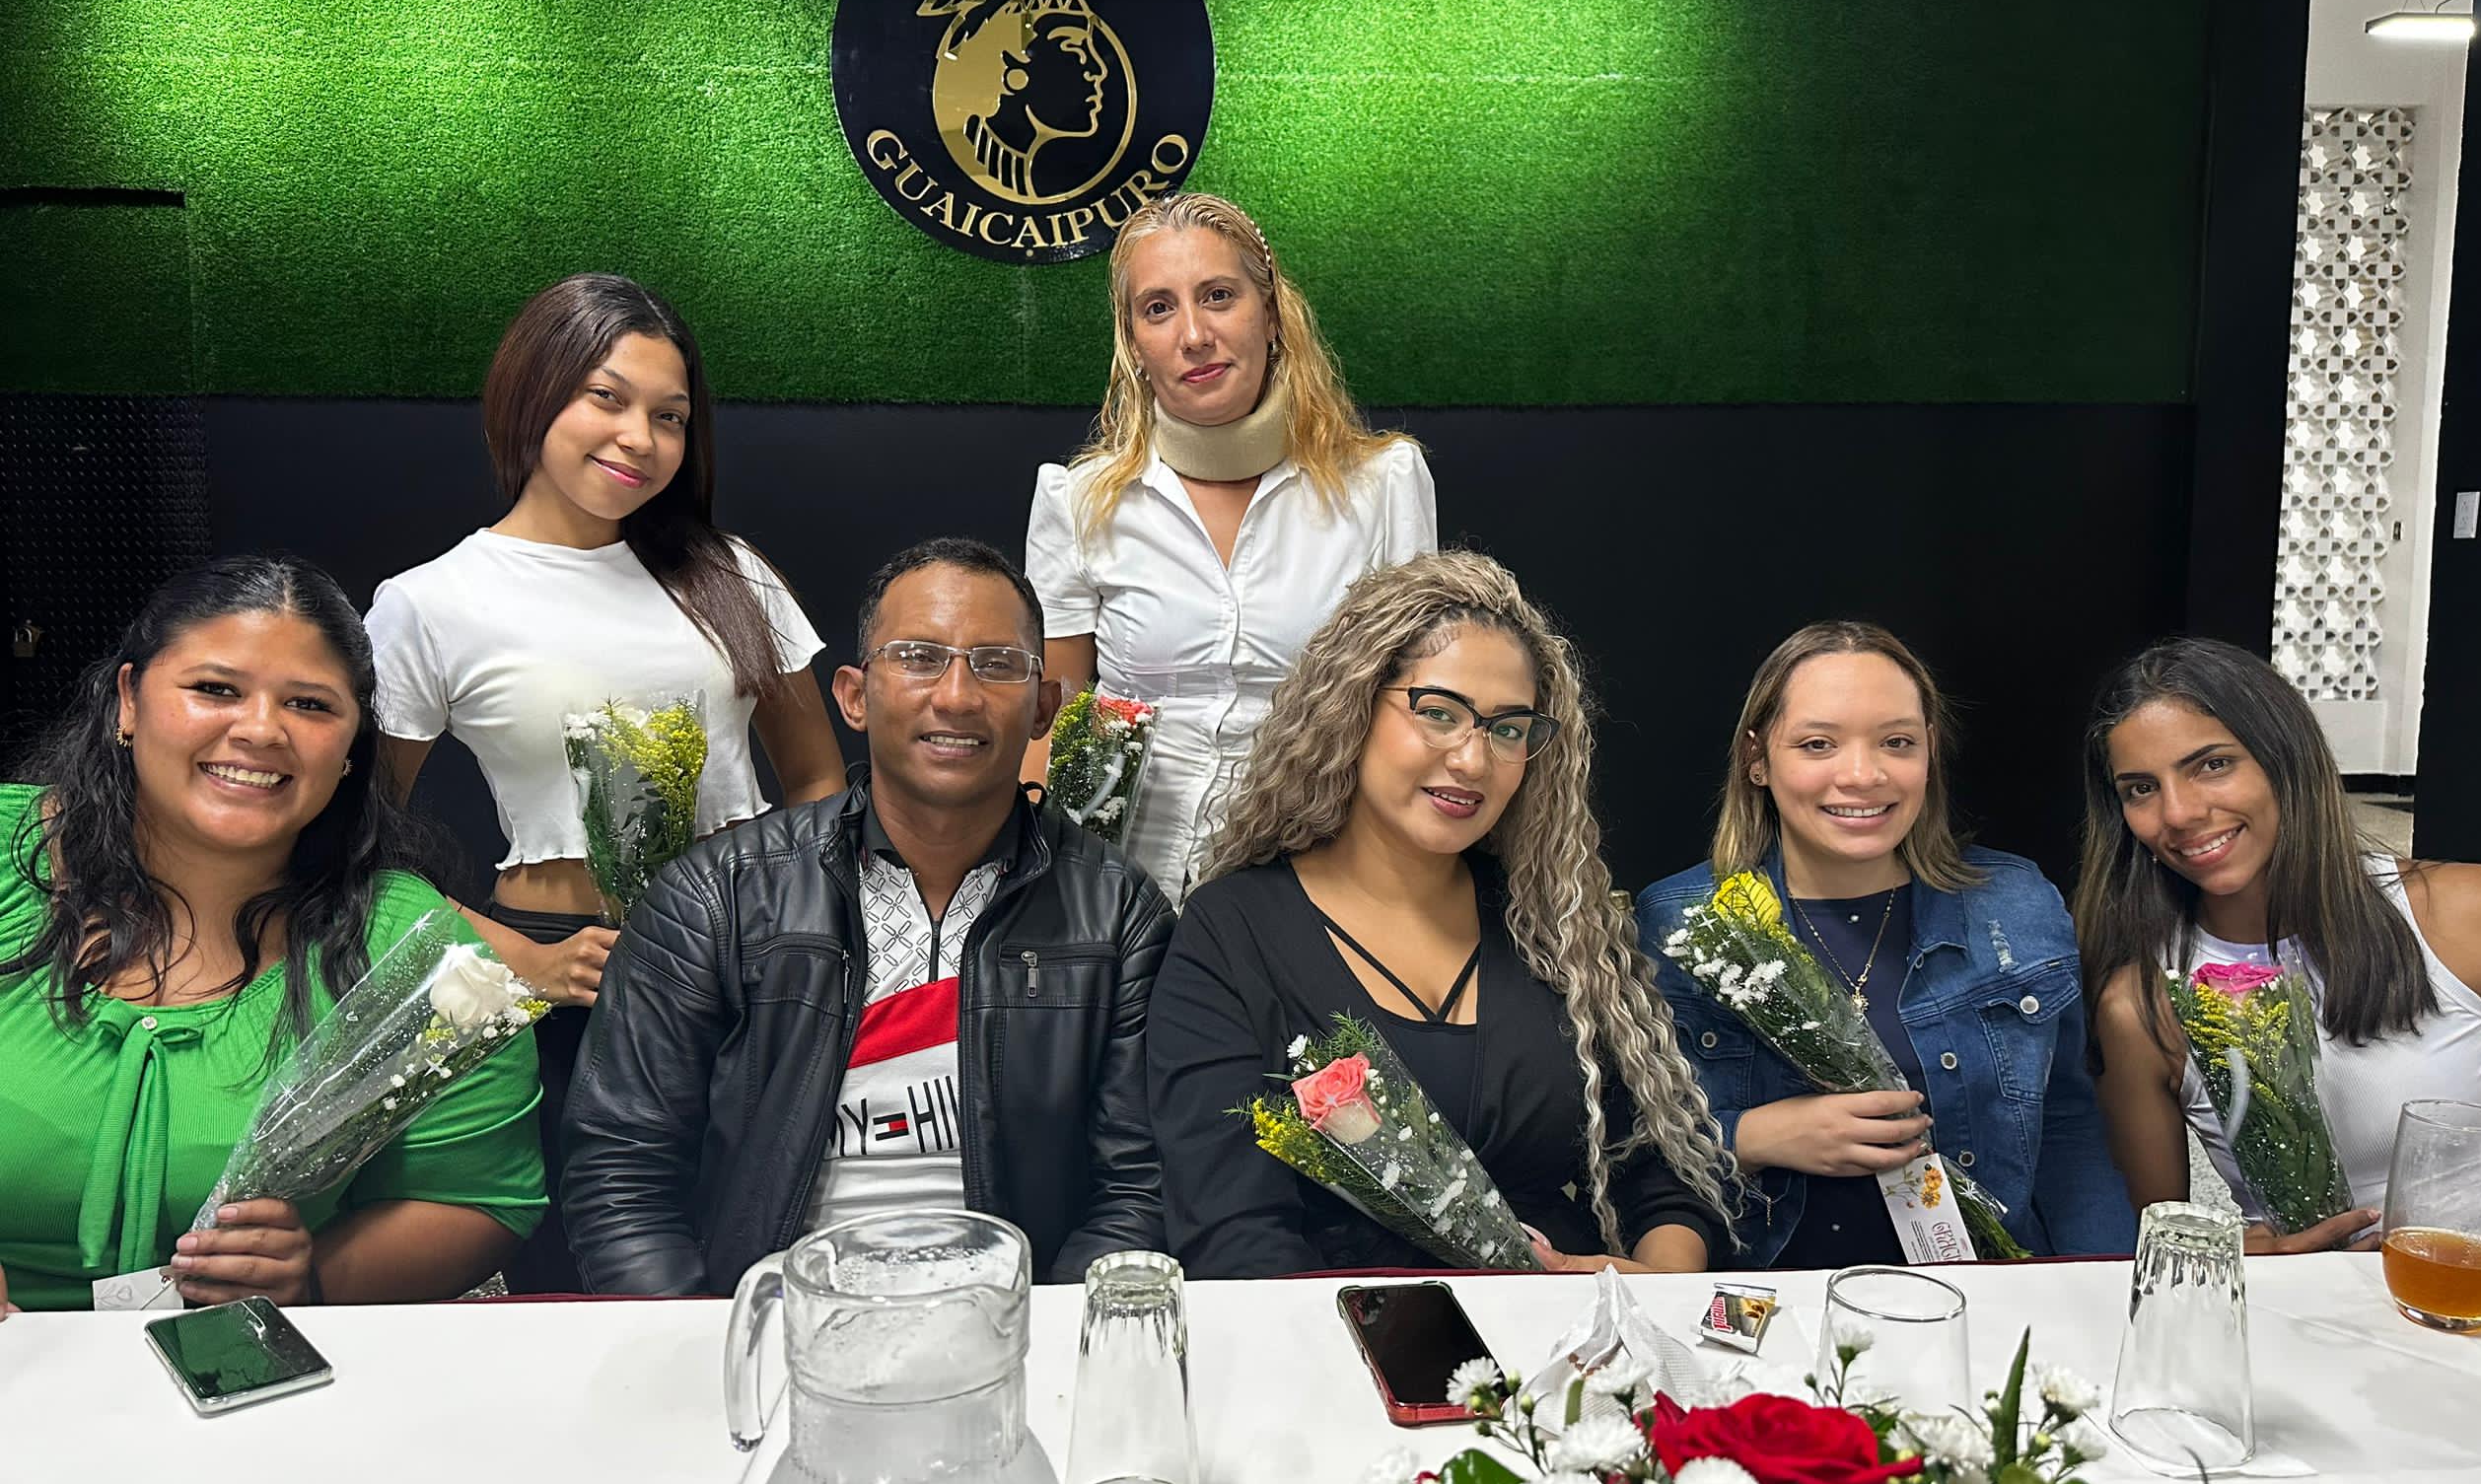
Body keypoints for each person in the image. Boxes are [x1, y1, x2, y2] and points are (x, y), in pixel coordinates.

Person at [366, 274, 845, 1288]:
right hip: (560, 973)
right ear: (534, 391)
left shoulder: (731, 573)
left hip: (746, 965)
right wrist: (516, 962)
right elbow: (357, 846)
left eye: (670, 416)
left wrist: (804, 935)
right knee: (583, 1279)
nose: (641, 439)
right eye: (608, 399)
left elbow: (814, 781)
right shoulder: (430, 603)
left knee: (756, 1249)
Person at [562, 539, 1174, 1293]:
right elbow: (621, 1169)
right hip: (774, 1324)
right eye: (919, 658)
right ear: (854, 696)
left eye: (996, 664)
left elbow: (1138, 1187)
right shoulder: (717, 896)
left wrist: (1045, 1335)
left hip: (1014, 1327)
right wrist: (709, 1339)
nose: (957, 695)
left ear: (1045, 707)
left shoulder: (1117, 914)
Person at [1149, 551, 1736, 1277]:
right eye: (1438, 714)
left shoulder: (1550, 923)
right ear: (1352, 706)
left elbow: (1655, 1166)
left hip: (1566, 1334)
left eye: (1508, 729)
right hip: (1331, 1332)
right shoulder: (1233, 930)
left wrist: (1653, 1286)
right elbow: (1233, 1239)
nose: (1472, 760)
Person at [0, 556, 544, 1312]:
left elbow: (477, 1200)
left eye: (310, 705)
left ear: (351, 746)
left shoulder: (418, 954)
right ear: (128, 700)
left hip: (247, 1361)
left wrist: (313, 1277)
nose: (260, 730)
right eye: (215, 689)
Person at [1637, 624, 2134, 1268]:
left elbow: (2068, 1129)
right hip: (1771, 1303)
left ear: (1930, 749)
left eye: (1896, 742)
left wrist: (2106, 1287)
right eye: (1818, 744)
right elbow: (1638, 1148)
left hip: (1982, 1296)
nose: (1863, 775)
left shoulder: (2015, 905)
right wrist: (1752, 1136)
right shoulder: (1683, 919)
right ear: (1757, 759)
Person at [1026, 192, 1438, 902]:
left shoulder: (1383, 485)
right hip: (1119, 885)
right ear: (1134, 343)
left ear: (1272, 315)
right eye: (1159, 308)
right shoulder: (1080, 499)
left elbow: (1413, 703)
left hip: (1310, 874)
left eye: (1218, 296)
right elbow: (1053, 722)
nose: (1194, 334)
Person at [2077, 636, 2481, 1251]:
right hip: (2308, 1307)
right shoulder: (2141, 1005)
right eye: (2140, 789)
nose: (2177, 813)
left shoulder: (2479, 911)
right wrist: (2247, 1255)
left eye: (2212, 765)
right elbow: (2161, 1247)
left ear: (2285, 759)